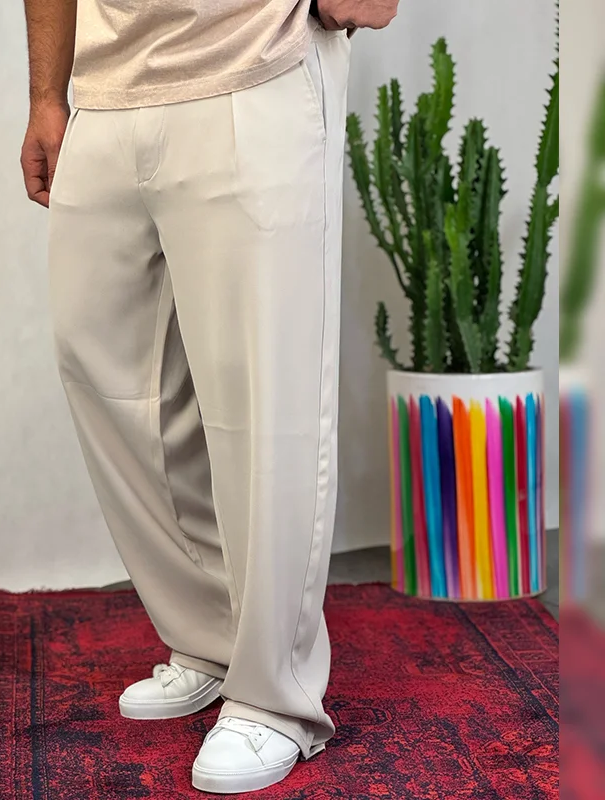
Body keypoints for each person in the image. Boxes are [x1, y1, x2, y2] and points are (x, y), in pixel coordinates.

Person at [21, 0, 399, 793]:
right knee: (106, 367)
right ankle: (212, 636)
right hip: (108, 80)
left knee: (268, 399)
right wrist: (46, 94)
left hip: (256, 57)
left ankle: (274, 696)